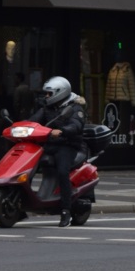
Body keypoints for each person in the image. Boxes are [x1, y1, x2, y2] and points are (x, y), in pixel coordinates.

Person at [28, 76, 87, 227]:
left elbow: (76, 125)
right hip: (49, 144)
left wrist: (62, 131)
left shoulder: (75, 108)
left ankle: (65, 210)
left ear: (60, 92)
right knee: (29, 165)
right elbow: (33, 121)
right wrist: (23, 127)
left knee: (62, 171)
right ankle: (23, 198)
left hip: (67, 145)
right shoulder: (47, 108)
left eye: (49, 94)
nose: (46, 97)